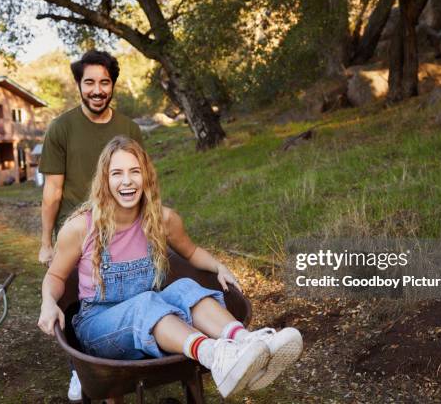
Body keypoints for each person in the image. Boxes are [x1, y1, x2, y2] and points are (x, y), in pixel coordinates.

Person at [37, 136, 303, 399]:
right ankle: (216, 355)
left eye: (135, 172)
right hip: (98, 327)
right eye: (117, 173)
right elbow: (56, 275)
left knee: (184, 287)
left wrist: (219, 266)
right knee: (146, 303)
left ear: (147, 177)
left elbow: (192, 251)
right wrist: (48, 301)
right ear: (104, 182)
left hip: (150, 311)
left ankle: (246, 344)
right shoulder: (81, 228)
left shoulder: (162, 219)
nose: (127, 181)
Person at [37, 50, 143, 400]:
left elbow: (137, 181)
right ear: (79, 85)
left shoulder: (129, 129)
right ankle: (81, 370)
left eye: (104, 82)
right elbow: (52, 191)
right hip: (77, 233)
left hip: (123, 231)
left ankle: (122, 365)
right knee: (75, 304)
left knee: (118, 302)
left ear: (112, 85)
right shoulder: (61, 128)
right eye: (90, 83)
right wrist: (46, 242)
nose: (97, 90)